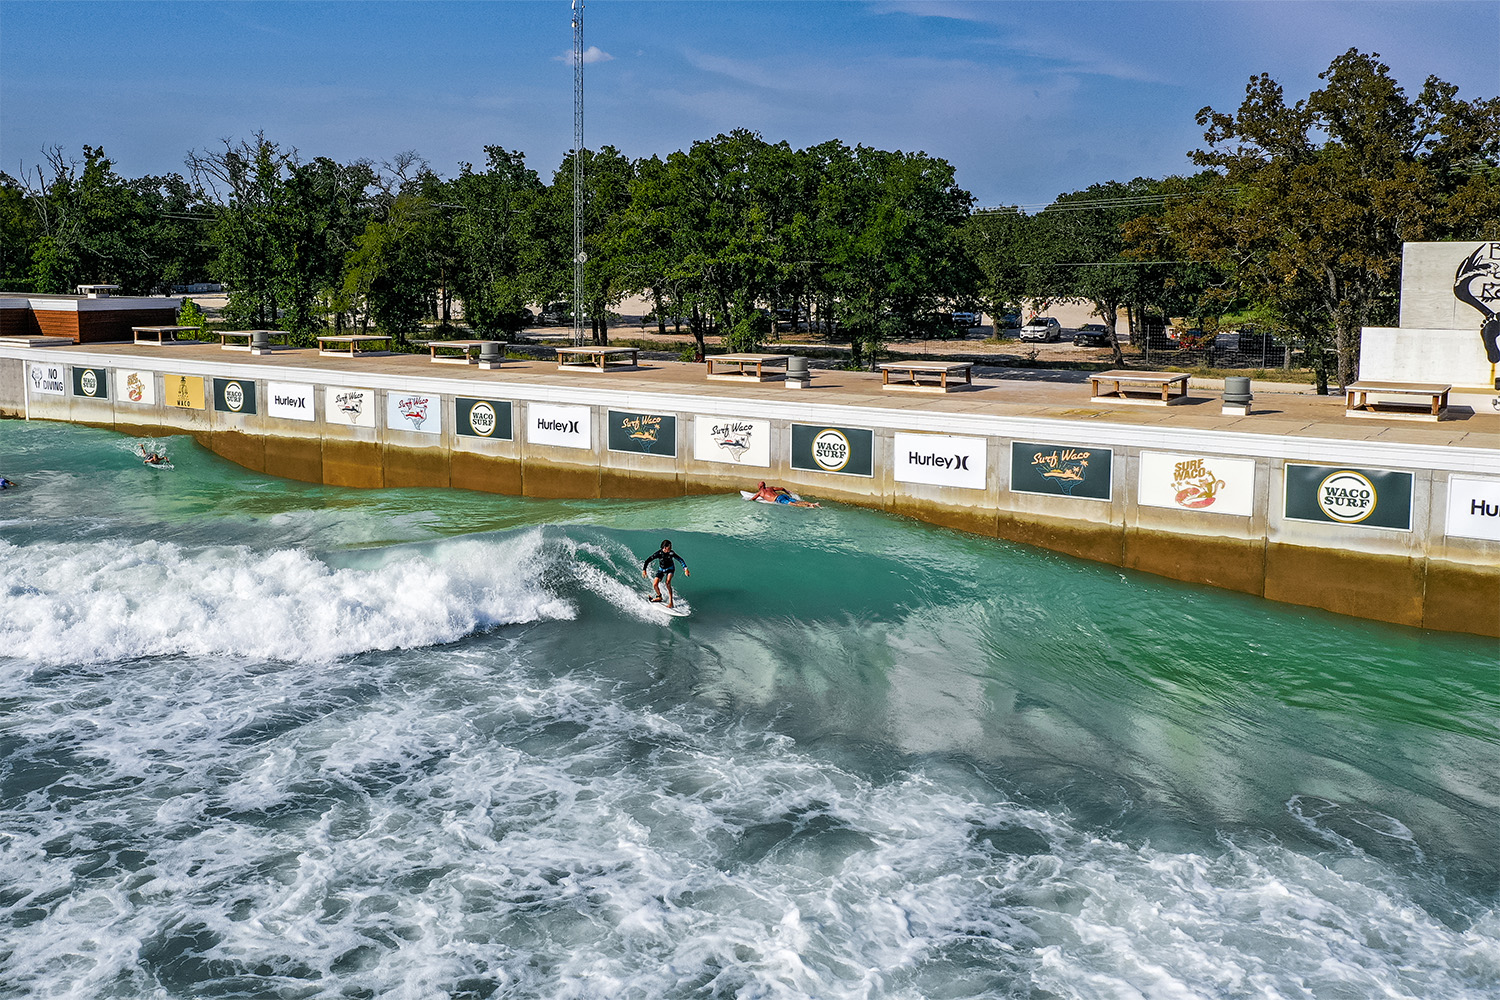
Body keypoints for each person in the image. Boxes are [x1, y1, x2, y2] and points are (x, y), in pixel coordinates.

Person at [641, 538, 689, 608]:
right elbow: (648, 560)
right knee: (655, 584)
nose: (671, 548)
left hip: (670, 569)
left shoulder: (671, 553)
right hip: (661, 569)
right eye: (669, 547)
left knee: (668, 582)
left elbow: (680, 559)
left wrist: (685, 569)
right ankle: (659, 596)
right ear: (665, 547)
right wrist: (644, 570)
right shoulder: (658, 553)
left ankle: (671, 602)